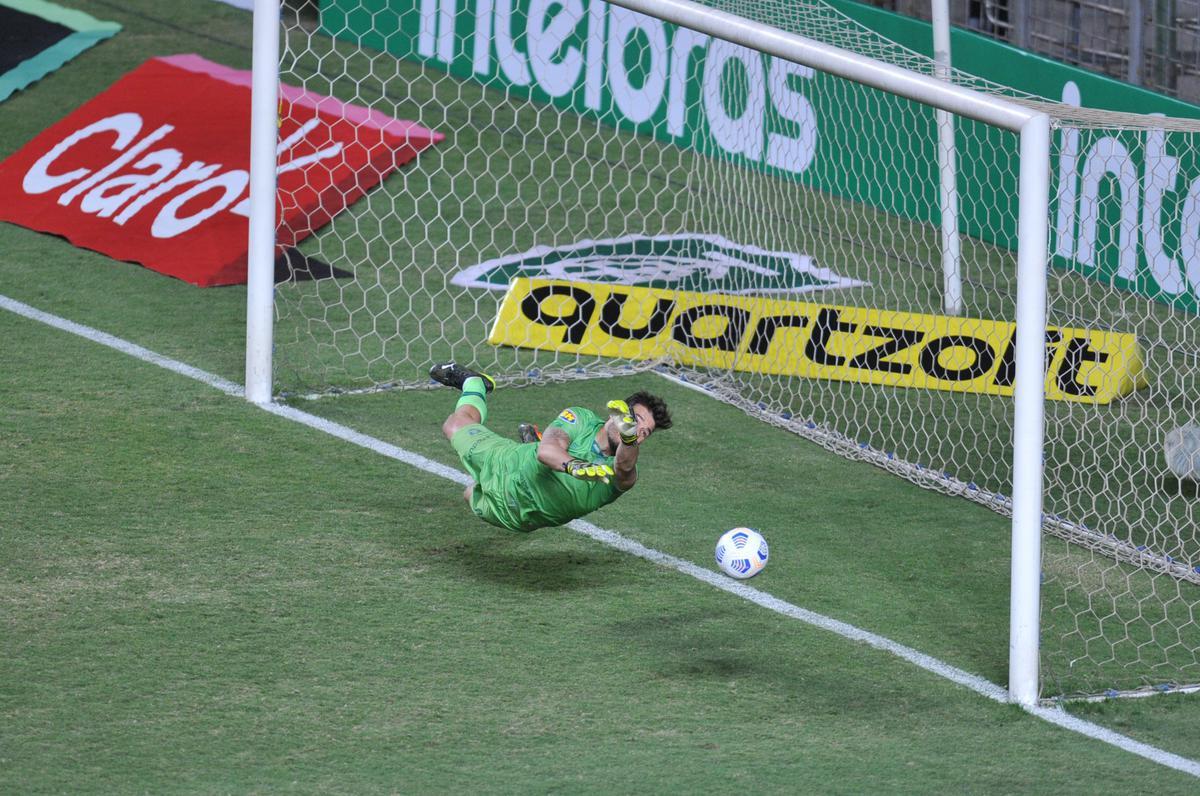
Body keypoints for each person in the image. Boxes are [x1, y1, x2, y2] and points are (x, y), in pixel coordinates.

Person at [430, 362, 672, 532]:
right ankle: (476, 384)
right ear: (616, 414)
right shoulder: (581, 418)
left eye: (644, 433)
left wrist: (628, 437)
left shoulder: (622, 475)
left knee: (470, 493)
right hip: (509, 460)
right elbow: (547, 452)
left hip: (514, 514)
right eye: (635, 421)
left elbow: (625, 464)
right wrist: (574, 466)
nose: (638, 432)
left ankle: (534, 444)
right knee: (454, 424)